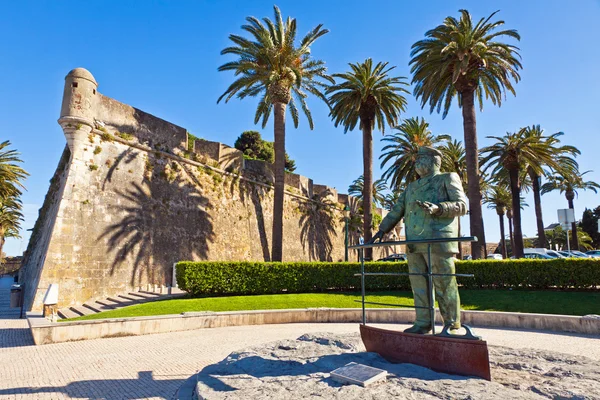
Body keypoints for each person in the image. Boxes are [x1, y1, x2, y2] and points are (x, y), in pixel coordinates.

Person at [369, 147, 467, 334]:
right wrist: (383, 229)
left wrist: (438, 208)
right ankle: (423, 323)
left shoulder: (447, 178)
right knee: (418, 285)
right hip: (414, 242)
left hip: (438, 240)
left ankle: (452, 325)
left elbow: (462, 206)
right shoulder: (411, 187)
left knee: (444, 284)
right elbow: (398, 209)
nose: (416, 162)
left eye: (421, 158)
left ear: (434, 160)